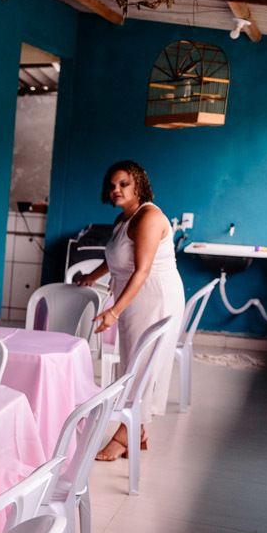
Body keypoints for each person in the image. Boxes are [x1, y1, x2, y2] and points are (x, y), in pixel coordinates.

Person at [75, 160, 184, 461]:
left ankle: (124, 435)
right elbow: (115, 258)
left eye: (123, 183)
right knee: (131, 364)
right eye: (112, 185)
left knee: (141, 366)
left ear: (138, 185)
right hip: (134, 297)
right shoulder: (123, 220)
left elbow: (142, 270)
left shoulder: (148, 217)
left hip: (154, 297)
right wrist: (92, 277)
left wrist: (114, 311)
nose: (115, 190)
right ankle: (139, 432)